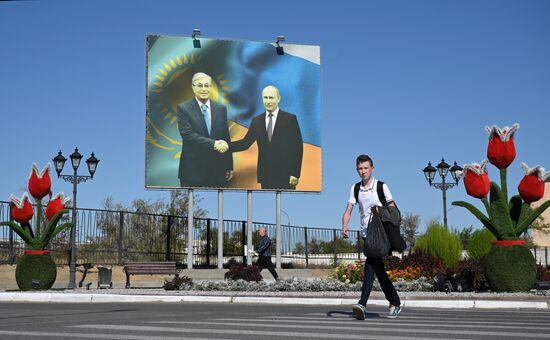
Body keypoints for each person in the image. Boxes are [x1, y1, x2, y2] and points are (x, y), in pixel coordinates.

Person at [341, 154, 402, 320]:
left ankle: (362, 303)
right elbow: (348, 210)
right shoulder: (355, 189)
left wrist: (392, 222)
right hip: (366, 235)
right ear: (357, 170)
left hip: (381, 235)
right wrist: (345, 226)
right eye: (360, 169)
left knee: (370, 264)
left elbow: (393, 208)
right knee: (378, 269)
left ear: (372, 169)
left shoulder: (381, 186)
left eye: (366, 168)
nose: (363, 171)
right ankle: (394, 302)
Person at [231, 85, 303, 190]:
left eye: (271, 98)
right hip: (266, 176)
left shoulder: (290, 119)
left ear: (278, 98)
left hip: (286, 176)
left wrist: (295, 173)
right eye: (265, 98)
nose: (268, 101)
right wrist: (225, 146)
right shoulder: (257, 121)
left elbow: (297, 147)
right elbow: (245, 143)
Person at [176, 72, 233, 188]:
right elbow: (188, 135)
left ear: (211, 87)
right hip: (192, 173)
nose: (204, 89)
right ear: (193, 87)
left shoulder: (221, 109)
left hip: (217, 171)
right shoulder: (183, 108)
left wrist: (229, 166)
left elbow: (226, 137)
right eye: (200, 85)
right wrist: (214, 144)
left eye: (207, 85)